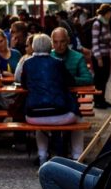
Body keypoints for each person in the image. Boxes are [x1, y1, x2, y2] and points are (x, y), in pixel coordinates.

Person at [21, 34, 81, 165]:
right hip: (60, 113)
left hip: (33, 115)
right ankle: (77, 157)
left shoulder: (27, 64)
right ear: (50, 46)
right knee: (79, 119)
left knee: (40, 126)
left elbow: (23, 84)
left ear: (33, 47)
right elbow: (71, 82)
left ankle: (42, 155)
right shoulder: (58, 63)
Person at [90, 4, 111, 109]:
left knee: (104, 79)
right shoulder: (97, 24)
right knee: (99, 79)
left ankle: (102, 99)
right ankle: (97, 101)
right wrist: (98, 58)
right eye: (110, 13)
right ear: (106, 13)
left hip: (105, 55)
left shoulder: (105, 24)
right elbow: (94, 43)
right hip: (99, 57)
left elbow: (109, 42)